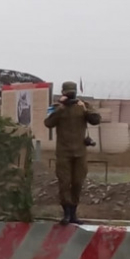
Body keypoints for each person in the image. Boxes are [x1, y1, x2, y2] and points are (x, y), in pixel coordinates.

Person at [44, 81, 101, 226]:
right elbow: (48, 123)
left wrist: (85, 109)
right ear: (63, 93)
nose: (70, 95)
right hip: (63, 152)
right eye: (68, 92)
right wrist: (61, 107)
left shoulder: (83, 106)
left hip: (80, 152)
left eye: (72, 92)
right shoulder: (56, 107)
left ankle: (74, 213)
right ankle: (66, 214)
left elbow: (96, 120)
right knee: (64, 182)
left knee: (77, 182)